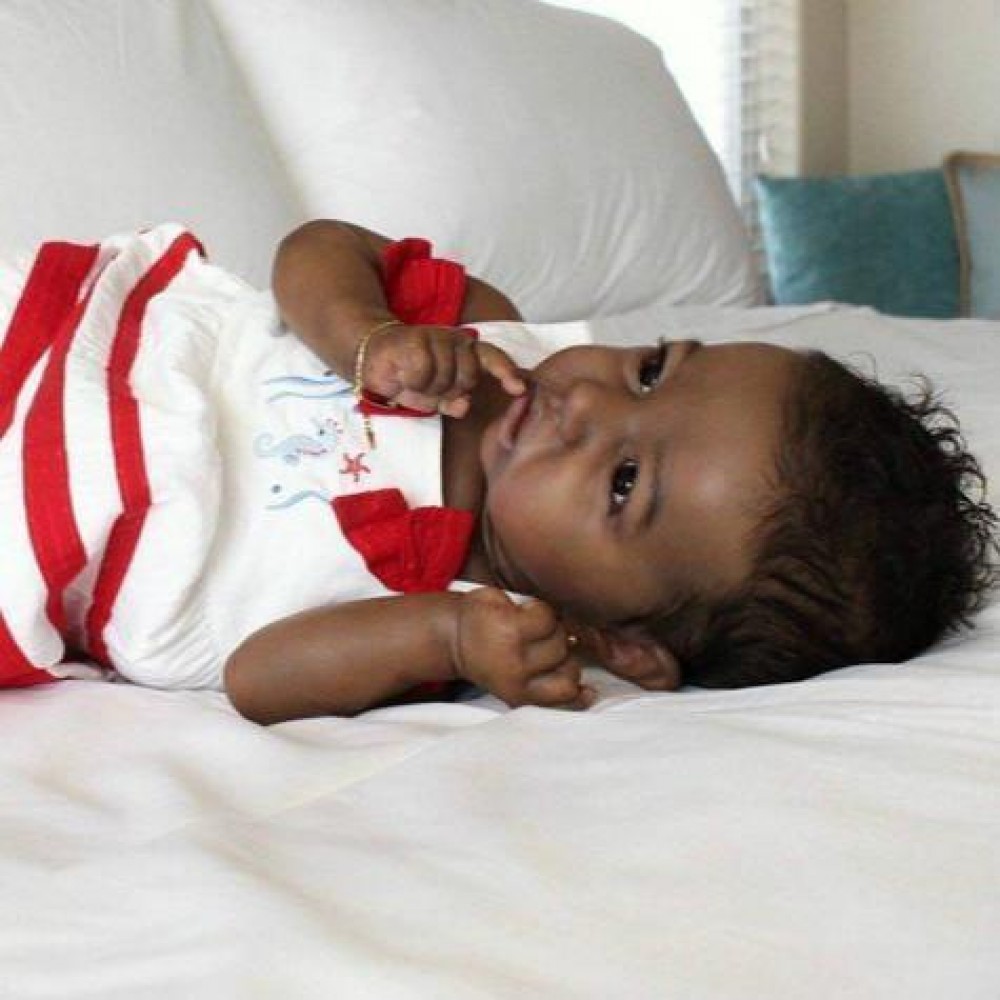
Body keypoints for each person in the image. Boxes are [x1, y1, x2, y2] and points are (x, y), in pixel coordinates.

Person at [0, 220, 995, 723]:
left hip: (44, 528)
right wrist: (367, 332)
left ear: (623, 642)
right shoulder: (489, 331)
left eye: (622, 482)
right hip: (56, 339)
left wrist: (441, 633)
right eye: (651, 370)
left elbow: (256, 678)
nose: (586, 404)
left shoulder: (463, 612)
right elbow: (315, 248)